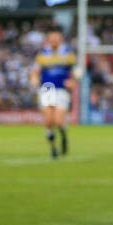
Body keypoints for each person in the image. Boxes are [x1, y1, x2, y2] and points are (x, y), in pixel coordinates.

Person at [29, 25, 75, 159]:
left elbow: (75, 72)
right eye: (52, 38)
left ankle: (63, 134)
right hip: (48, 88)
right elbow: (35, 71)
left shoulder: (68, 53)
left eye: (57, 38)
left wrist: (73, 81)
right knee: (49, 121)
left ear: (60, 39)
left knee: (59, 121)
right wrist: (34, 78)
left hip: (61, 89)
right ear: (48, 40)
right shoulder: (42, 55)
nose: (54, 41)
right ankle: (53, 148)